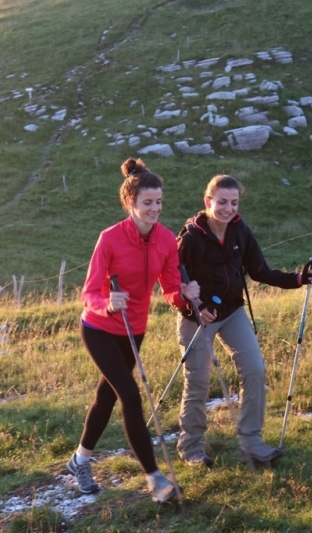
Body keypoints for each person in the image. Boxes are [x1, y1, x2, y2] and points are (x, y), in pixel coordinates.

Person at [66, 158, 200, 503]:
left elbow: (170, 288)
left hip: (134, 329)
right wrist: (107, 303)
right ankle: (155, 478)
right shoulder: (110, 239)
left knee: (107, 396)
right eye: (148, 202)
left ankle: (79, 460)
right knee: (130, 394)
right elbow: (89, 293)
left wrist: (185, 294)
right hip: (99, 327)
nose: (155, 209)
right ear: (130, 202)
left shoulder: (166, 239)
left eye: (159, 202)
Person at [175, 174, 312, 467]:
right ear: (208, 201)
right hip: (197, 317)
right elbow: (171, 279)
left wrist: (299, 279)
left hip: (232, 312)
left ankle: (251, 442)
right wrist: (194, 305)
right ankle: (191, 448)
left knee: (254, 370)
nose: (228, 209)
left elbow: (260, 272)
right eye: (222, 202)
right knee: (198, 381)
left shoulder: (241, 232)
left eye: (234, 203)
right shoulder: (190, 238)